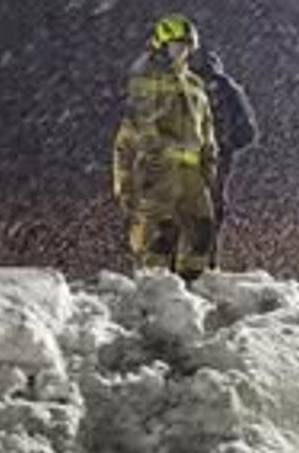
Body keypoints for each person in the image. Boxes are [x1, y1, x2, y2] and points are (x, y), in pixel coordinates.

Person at [111, 13, 218, 280]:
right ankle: (154, 293)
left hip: (192, 171)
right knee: (160, 234)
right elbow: (136, 128)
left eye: (184, 46)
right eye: (174, 45)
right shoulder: (148, 79)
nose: (180, 51)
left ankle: (190, 287)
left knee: (202, 231)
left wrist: (210, 163)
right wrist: (129, 179)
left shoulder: (196, 85)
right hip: (159, 171)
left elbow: (206, 129)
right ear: (161, 46)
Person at [192, 50, 259, 242]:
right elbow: (248, 130)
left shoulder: (186, 87)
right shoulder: (229, 88)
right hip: (217, 153)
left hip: (193, 152)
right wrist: (228, 145)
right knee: (213, 200)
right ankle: (206, 253)